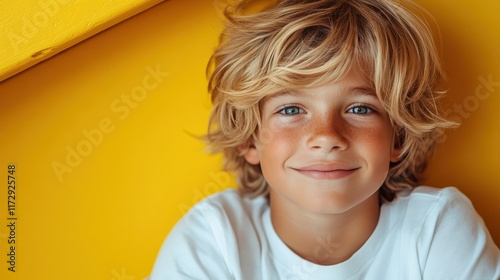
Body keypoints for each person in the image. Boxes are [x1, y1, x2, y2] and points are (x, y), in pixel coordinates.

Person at [149, 0, 500, 279]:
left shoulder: (437, 227)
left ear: (399, 137)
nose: (326, 137)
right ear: (249, 140)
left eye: (360, 109)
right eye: (290, 110)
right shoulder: (216, 237)